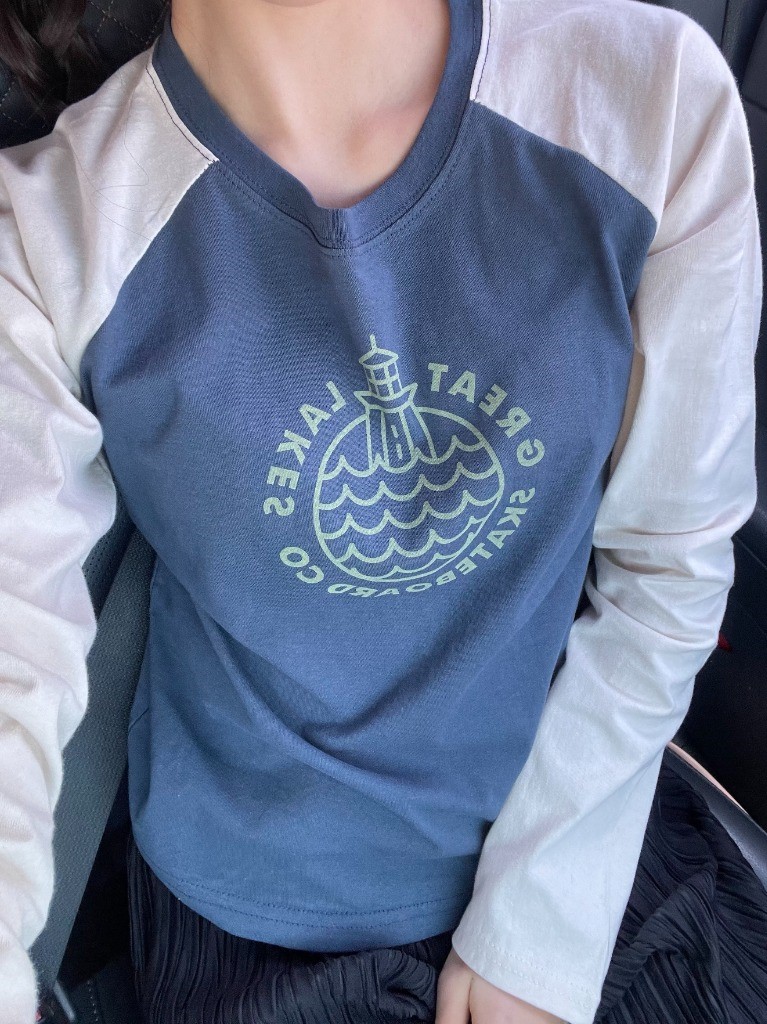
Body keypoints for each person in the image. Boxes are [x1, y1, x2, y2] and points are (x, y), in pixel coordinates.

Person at [0, 0, 763, 1022]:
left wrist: (539, 931)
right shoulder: (48, 237)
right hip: (253, 917)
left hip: (585, 827)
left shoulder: (648, 97)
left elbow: (666, 565)